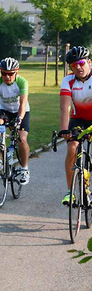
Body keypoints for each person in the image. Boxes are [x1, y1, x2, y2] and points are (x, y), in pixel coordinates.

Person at [0, 57, 31, 185]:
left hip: (21, 112)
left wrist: (19, 120)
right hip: (5, 111)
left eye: (10, 74)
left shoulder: (22, 82)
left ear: (16, 72)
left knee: (22, 138)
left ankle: (24, 168)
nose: (7, 77)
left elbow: (23, 103)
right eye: (4, 73)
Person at [59, 46, 92, 205]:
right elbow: (65, 107)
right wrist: (64, 130)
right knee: (72, 147)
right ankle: (70, 191)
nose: (78, 67)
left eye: (81, 63)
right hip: (78, 120)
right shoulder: (68, 80)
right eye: (73, 65)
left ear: (89, 62)